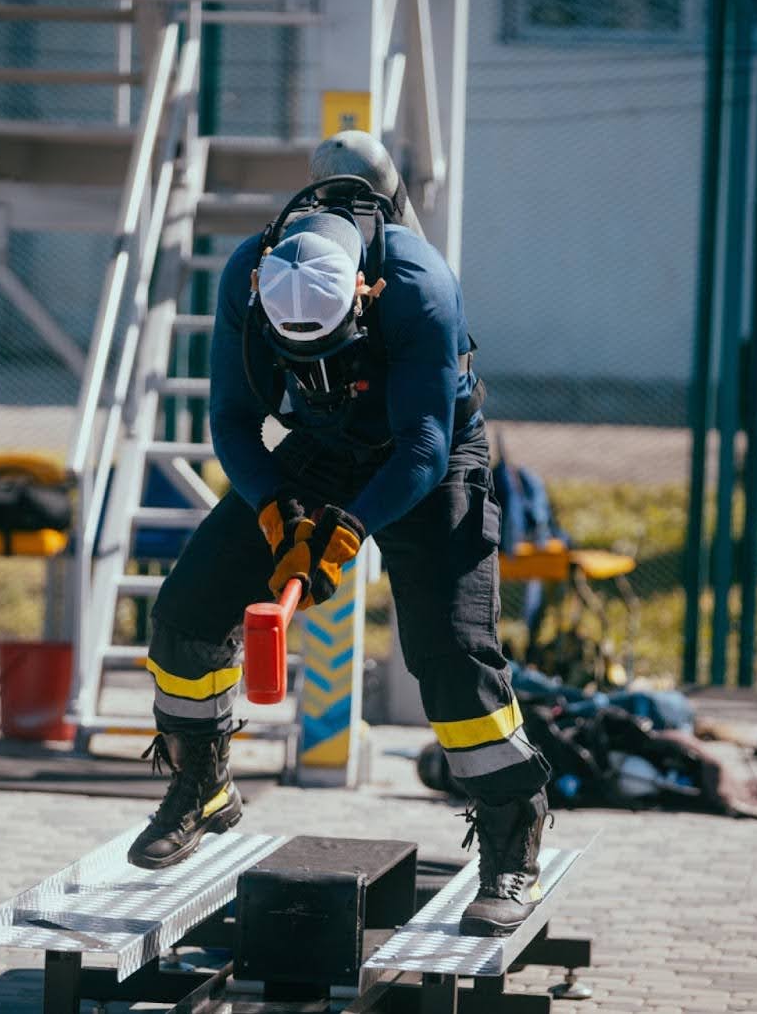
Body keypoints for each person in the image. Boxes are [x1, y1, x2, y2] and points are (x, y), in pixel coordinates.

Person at [127, 131, 553, 937]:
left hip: (429, 458)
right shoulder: (245, 280)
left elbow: (424, 444)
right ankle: (204, 782)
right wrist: (274, 511)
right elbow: (232, 420)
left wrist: (349, 529)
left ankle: (511, 832)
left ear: (361, 292)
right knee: (184, 620)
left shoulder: (420, 284)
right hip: (322, 450)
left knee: (453, 660)